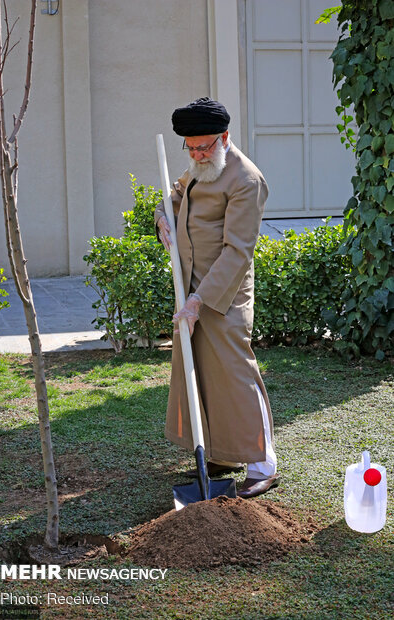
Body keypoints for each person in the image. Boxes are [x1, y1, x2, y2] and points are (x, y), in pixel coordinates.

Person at [155, 97, 279, 498]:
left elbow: (238, 251)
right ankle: (222, 455)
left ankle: (263, 464)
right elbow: (175, 194)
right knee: (203, 372)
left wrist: (198, 302)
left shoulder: (246, 180)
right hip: (189, 285)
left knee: (235, 374)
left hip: (223, 295)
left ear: (225, 138)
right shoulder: (199, 166)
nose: (197, 154)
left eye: (204, 146)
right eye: (190, 148)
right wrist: (162, 217)